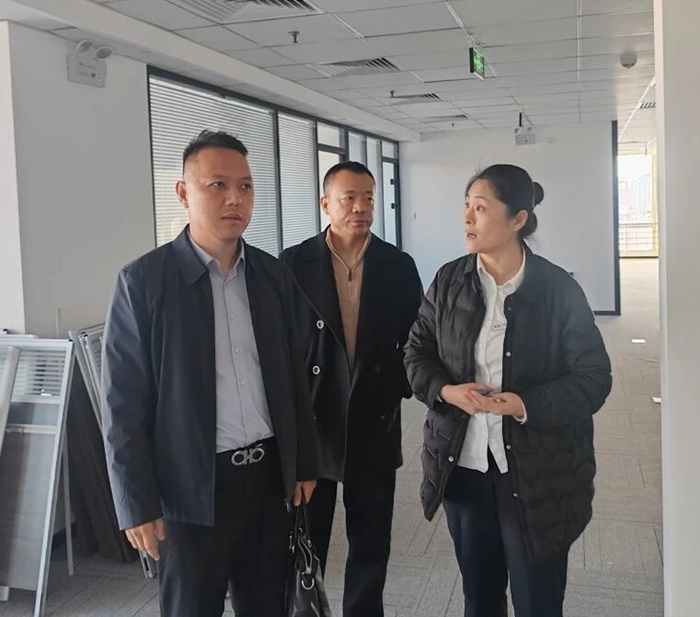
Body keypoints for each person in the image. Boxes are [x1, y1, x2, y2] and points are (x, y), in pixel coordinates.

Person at [101, 130, 319, 617]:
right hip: (190, 491)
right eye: (217, 185)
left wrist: (303, 461)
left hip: (267, 481)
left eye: (245, 186)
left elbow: (294, 377)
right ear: (183, 192)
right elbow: (123, 405)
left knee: (268, 605)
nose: (234, 199)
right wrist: (136, 502)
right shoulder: (144, 282)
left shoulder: (272, 275)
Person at [404, 164, 612, 617]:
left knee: (538, 601)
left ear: (518, 219)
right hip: (463, 466)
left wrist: (524, 405)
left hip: (538, 474)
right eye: (465, 206)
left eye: (480, 208)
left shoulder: (558, 289)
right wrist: (447, 391)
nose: (467, 218)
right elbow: (416, 353)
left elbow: (594, 377)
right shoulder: (449, 281)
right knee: (480, 598)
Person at [280, 161, 423, 617]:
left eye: (368, 199)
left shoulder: (397, 265)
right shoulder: (293, 263)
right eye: (349, 198)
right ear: (326, 204)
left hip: (372, 417)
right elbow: (279, 342)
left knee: (370, 539)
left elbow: (418, 339)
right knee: (308, 538)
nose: (361, 208)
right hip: (313, 419)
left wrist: (396, 385)